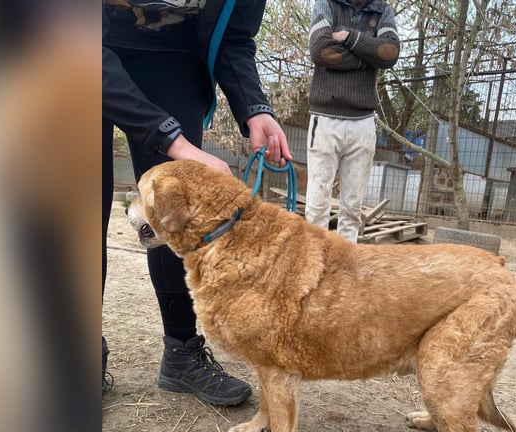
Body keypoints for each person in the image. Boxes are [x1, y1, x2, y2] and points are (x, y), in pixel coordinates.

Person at [102, 0, 293, 403]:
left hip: (173, 53)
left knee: (180, 212)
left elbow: (235, 36)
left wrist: (255, 106)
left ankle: (182, 353)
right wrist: (175, 142)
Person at [305, 0, 400, 242]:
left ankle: (346, 269)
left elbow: (389, 53)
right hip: (325, 119)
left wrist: (349, 37)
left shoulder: (382, 11)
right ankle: (314, 264)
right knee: (317, 204)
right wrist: (365, 60)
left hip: (363, 121)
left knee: (353, 207)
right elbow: (320, 50)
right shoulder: (326, 4)